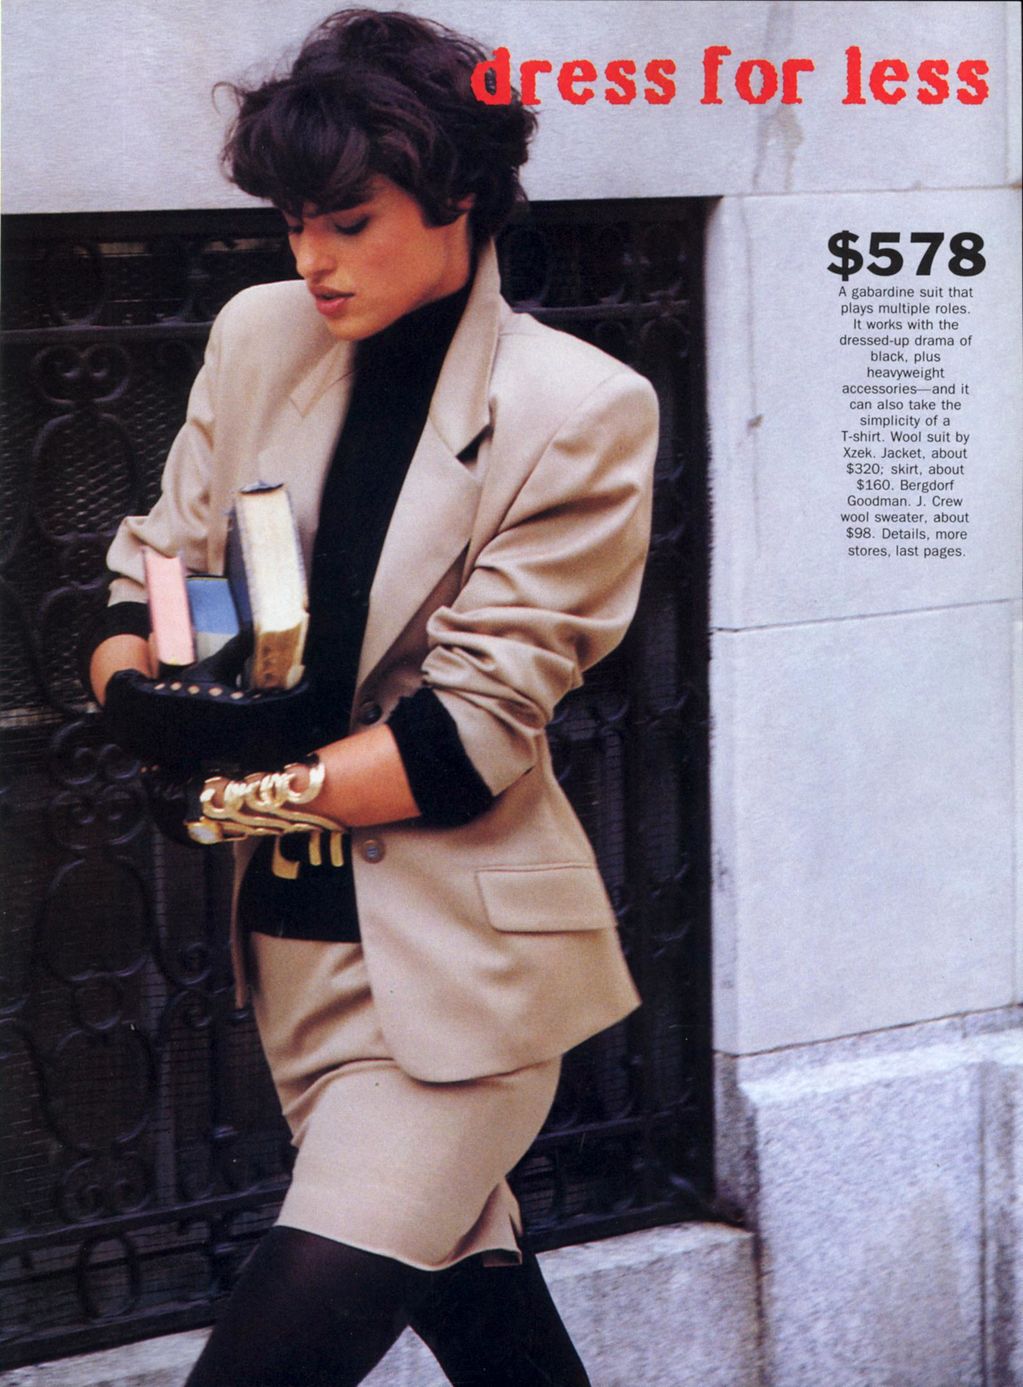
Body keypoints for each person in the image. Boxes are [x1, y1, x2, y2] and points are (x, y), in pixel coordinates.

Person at [86, 9, 658, 1385]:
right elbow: (165, 566)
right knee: (500, 1343)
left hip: (460, 987)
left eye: (349, 223)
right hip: (297, 965)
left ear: (458, 199)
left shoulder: (578, 409)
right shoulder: (261, 336)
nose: (312, 259)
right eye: (295, 223)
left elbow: (467, 739)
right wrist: (138, 692)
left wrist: (227, 800)